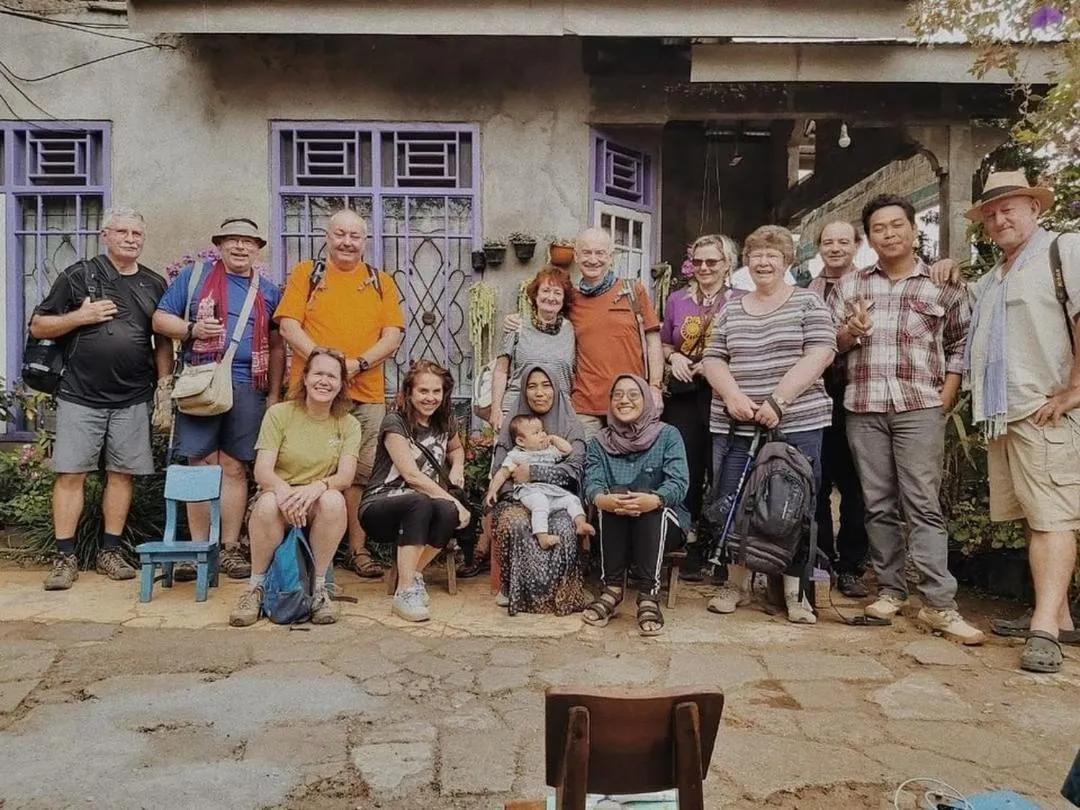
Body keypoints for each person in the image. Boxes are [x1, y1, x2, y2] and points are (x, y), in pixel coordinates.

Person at [828, 194, 983, 645]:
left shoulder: (942, 284)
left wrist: (947, 392)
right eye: (879, 228)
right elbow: (832, 346)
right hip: (865, 405)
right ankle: (891, 590)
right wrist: (850, 333)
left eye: (897, 225)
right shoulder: (851, 286)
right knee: (877, 503)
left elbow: (961, 343)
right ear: (869, 238)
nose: (889, 234)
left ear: (914, 230)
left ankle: (939, 603)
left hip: (919, 406)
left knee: (923, 504)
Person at [962, 171, 1080, 670]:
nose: (999, 218)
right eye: (990, 213)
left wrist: (1077, 388)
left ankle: (1045, 630)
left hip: (1045, 408)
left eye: (1009, 208)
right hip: (1005, 413)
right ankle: (1059, 617)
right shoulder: (996, 275)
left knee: (1053, 516)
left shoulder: (1064, 250)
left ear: (1035, 207)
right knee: (1036, 516)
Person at [701, 225, 835, 624]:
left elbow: (821, 352)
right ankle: (735, 584)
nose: (763, 261)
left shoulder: (808, 304)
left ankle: (796, 594)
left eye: (771, 255)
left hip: (798, 421)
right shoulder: (731, 309)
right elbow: (713, 358)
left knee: (794, 505)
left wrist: (779, 401)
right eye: (756, 254)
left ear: (787, 261)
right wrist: (734, 397)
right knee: (735, 503)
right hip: (738, 425)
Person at [33, 207, 172, 591]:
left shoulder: (154, 283)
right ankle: (65, 557)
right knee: (71, 473)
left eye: (137, 234)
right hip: (80, 394)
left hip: (133, 395)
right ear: (105, 235)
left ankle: (109, 551)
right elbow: (39, 324)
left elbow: (163, 340)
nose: (131, 238)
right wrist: (81, 316)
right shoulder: (79, 276)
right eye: (123, 232)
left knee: (121, 474)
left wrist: (164, 388)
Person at [275, 209, 405, 579]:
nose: (347, 242)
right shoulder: (306, 274)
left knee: (360, 474)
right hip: (312, 393)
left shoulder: (381, 282)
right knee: (302, 465)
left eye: (355, 236)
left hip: (366, 392)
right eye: (340, 235)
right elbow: (288, 325)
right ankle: (300, 548)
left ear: (366, 241)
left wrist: (358, 363)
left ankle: (357, 550)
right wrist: (326, 363)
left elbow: (392, 336)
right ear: (327, 237)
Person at [153, 217, 285, 582]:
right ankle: (198, 549)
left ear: (257, 249)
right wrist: (192, 329)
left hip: (247, 385)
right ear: (220, 245)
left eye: (247, 241)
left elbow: (277, 347)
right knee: (200, 463)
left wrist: (274, 395)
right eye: (233, 240)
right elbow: (160, 319)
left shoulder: (269, 291)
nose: (240, 247)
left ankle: (227, 547)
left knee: (234, 466)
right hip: (201, 381)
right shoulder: (194, 278)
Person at [228, 348, 360, 627]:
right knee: (266, 504)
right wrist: (285, 493)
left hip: (317, 500)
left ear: (341, 383)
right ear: (305, 377)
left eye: (332, 376)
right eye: (319, 374)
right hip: (280, 496)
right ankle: (256, 587)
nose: (325, 381)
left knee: (334, 500)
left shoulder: (348, 424)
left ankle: (319, 590)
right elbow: (263, 470)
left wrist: (317, 487)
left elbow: (345, 476)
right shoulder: (279, 414)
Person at [505, 228, 663, 439]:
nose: (593, 259)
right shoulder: (571, 301)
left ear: (610, 257)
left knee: (632, 468)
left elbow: (653, 343)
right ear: (576, 257)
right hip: (585, 407)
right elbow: (545, 317)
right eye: (586, 253)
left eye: (600, 253)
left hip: (630, 401)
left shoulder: (633, 291)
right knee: (585, 467)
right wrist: (516, 320)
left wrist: (654, 387)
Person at [359, 360, 469, 623]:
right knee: (424, 502)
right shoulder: (395, 422)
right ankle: (405, 592)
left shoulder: (445, 421)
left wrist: (458, 468)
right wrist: (455, 500)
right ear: (408, 393)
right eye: (423, 391)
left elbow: (456, 449)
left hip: (422, 504)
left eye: (436, 392)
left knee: (445, 509)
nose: (430, 398)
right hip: (381, 505)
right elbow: (411, 476)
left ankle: (412, 574)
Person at [582, 375, 689, 636]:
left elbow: (679, 482)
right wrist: (601, 498)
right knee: (614, 499)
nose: (624, 400)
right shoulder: (598, 442)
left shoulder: (668, 435)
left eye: (633, 394)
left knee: (650, 507)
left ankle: (649, 595)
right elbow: (592, 482)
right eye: (617, 395)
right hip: (616, 522)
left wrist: (653, 499)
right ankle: (613, 589)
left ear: (645, 400)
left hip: (663, 521)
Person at [660, 233, 740, 579]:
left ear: (728, 264)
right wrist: (674, 356)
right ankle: (689, 540)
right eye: (699, 261)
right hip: (684, 394)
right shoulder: (677, 299)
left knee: (723, 468)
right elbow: (662, 342)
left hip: (724, 394)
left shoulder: (742, 301)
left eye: (713, 262)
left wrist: (714, 364)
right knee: (687, 468)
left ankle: (722, 545)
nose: (704, 268)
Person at [490, 365, 590, 615]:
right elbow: (500, 471)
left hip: (559, 494)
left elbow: (575, 469)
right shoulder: (513, 426)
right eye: (532, 386)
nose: (539, 393)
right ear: (523, 391)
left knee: (565, 526)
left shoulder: (570, 426)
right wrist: (517, 492)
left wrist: (535, 473)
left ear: (556, 389)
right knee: (514, 523)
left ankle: (562, 593)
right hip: (519, 496)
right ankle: (513, 589)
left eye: (546, 386)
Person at [806, 221, 870, 598]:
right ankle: (820, 558)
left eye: (843, 241)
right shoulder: (807, 290)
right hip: (816, 396)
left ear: (856, 245)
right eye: (828, 241)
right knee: (817, 479)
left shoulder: (868, 283)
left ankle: (851, 564)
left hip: (857, 393)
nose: (835, 247)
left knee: (854, 483)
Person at [488, 266, 576, 435]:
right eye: (546, 291)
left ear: (564, 299)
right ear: (535, 295)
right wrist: (495, 409)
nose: (551, 297)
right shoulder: (517, 325)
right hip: (517, 411)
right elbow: (501, 371)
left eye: (557, 293)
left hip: (558, 413)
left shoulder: (571, 330)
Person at [485, 414, 594, 549]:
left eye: (542, 430)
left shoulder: (549, 451)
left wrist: (554, 439)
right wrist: (492, 490)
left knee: (571, 499)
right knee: (540, 502)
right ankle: (542, 536)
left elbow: (568, 449)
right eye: (536, 433)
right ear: (520, 441)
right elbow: (502, 473)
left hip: (551, 492)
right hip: (530, 492)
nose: (542, 435)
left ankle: (580, 524)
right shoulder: (516, 455)